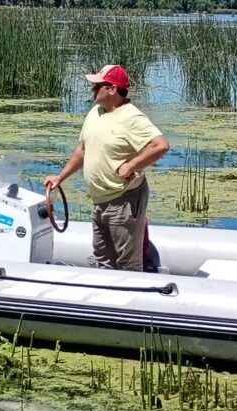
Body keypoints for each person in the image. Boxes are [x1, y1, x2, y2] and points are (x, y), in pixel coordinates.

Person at [44, 65, 169, 272]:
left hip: (124, 200)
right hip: (99, 201)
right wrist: (61, 177)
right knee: (103, 257)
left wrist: (131, 165)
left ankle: (131, 301)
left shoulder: (132, 117)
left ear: (112, 89)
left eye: (97, 86)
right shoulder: (95, 112)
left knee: (128, 262)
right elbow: (82, 150)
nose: (92, 90)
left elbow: (160, 145)